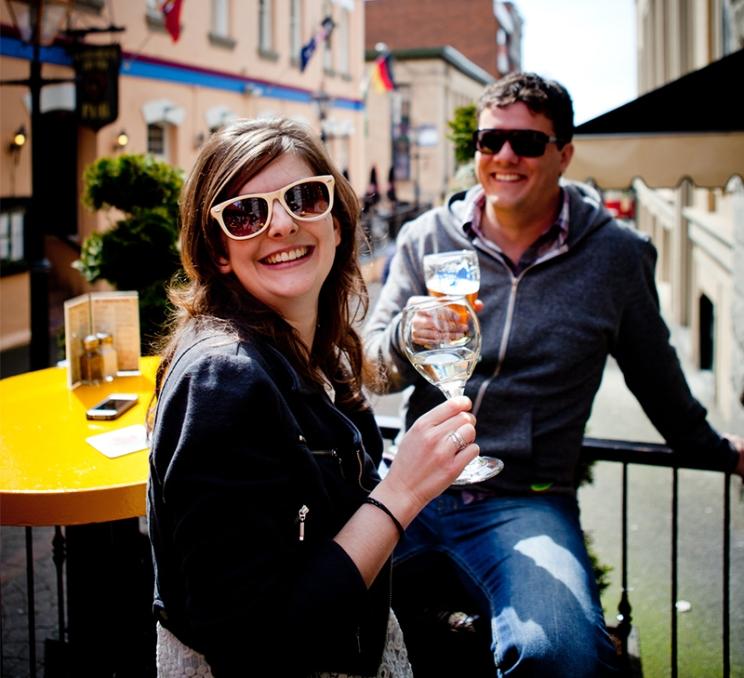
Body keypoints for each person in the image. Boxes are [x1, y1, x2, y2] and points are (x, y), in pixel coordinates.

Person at [363, 72, 744, 677]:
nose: (505, 157)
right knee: (311, 608)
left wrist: (715, 450)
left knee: (563, 654)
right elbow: (372, 376)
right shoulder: (425, 238)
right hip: (408, 484)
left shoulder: (615, 255)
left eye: (528, 143)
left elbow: (659, 380)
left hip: (524, 500)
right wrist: (408, 336)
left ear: (564, 154)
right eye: (491, 141)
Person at [146, 118, 482, 677]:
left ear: (336, 222)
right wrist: (403, 492)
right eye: (246, 213)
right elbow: (252, 641)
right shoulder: (223, 380)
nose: (280, 224)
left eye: (303, 198)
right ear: (219, 251)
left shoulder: (318, 351)